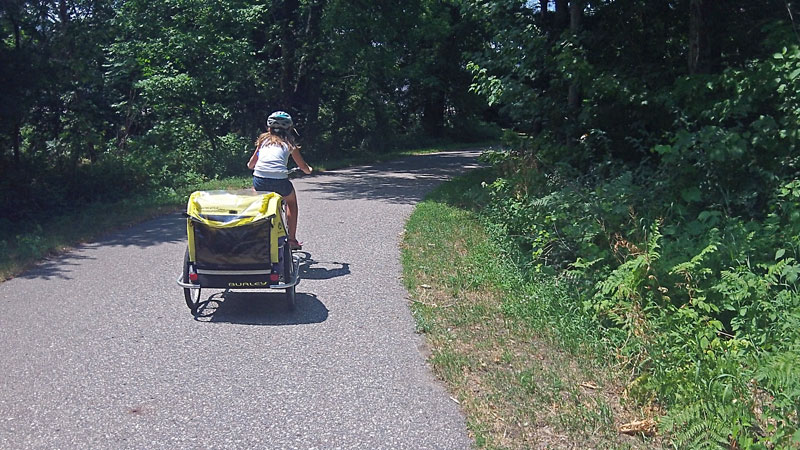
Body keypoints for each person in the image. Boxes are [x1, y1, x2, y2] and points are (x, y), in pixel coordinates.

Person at [247, 111, 312, 250]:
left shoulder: (262, 141)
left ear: (268, 127)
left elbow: (251, 165)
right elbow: (303, 166)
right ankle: (292, 240)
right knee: (291, 203)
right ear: (289, 128)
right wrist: (308, 170)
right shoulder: (289, 143)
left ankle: (254, 234)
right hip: (280, 182)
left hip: (260, 180)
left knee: (256, 199)